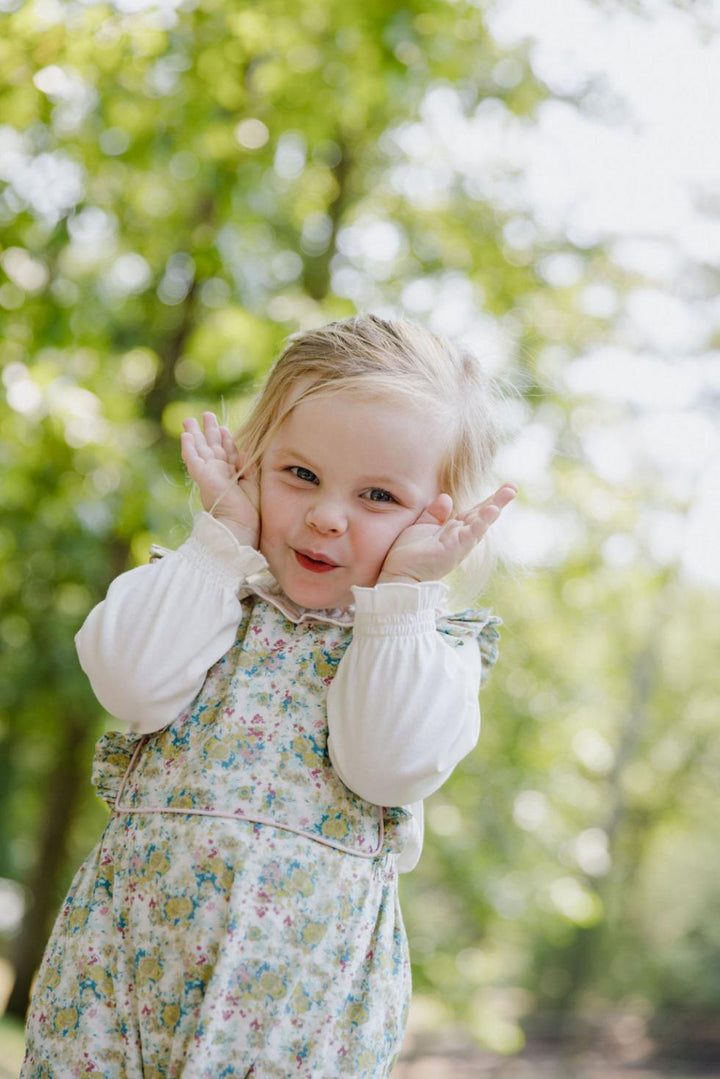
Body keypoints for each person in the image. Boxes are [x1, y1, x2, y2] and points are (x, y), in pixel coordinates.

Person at [21, 315, 516, 1079]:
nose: (326, 515)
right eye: (300, 475)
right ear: (254, 464)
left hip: (299, 1012)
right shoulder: (209, 594)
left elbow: (384, 766)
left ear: (438, 516)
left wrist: (403, 596)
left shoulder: (424, 650)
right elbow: (125, 677)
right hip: (115, 986)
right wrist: (222, 538)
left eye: (378, 495)